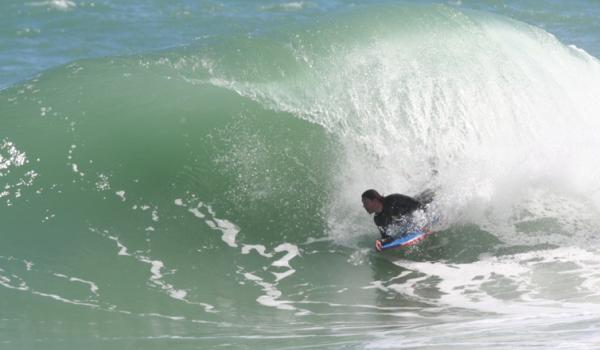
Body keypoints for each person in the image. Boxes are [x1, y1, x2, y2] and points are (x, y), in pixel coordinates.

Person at [361, 189, 434, 251]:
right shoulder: (378, 219)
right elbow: (387, 236)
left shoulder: (394, 200)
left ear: (375, 200)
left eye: (366, 202)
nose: (364, 206)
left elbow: (417, 205)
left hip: (422, 200)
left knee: (433, 192)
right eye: (363, 203)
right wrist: (380, 241)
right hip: (411, 216)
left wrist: (426, 223)